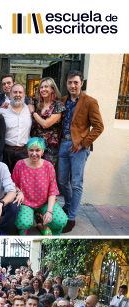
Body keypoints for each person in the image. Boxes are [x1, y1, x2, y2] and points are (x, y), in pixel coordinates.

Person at [59, 70, 104, 233]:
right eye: (70, 82)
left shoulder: (90, 102)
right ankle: (69, 205)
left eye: (76, 82)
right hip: (63, 144)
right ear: (66, 84)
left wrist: (83, 143)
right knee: (62, 180)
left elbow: (99, 126)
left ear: (81, 83)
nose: (72, 85)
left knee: (76, 183)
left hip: (79, 148)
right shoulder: (63, 100)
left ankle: (71, 218)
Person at [12, 137, 68, 235]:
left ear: (42, 152)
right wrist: (18, 191)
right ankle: (22, 228)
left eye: (37, 150)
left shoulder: (48, 166)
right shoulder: (20, 164)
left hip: (44, 203)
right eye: (31, 150)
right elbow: (13, 184)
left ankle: (50, 229)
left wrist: (49, 212)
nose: (34, 153)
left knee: (61, 221)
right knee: (23, 223)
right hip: (26, 202)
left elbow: (53, 191)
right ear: (27, 151)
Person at [30, 77, 66, 166]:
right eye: (41, 87)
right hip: (35, 146)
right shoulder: (35, 103)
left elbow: (45, 124)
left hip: (50, 147)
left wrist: (33, 113)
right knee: (34, 173)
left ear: (52, 88)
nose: (43, 89)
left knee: (46, 173)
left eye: (46, 87)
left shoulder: (58, 106)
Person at [0, 83, 32, 173]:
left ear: (24, 94)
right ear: (10, 94)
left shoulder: (29, 109)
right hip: (6, 152)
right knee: (6, 179)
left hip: (24, 152)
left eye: (20, 92)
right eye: (15, 92)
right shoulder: (2, 110)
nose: (17, 95)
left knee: (23, 180)